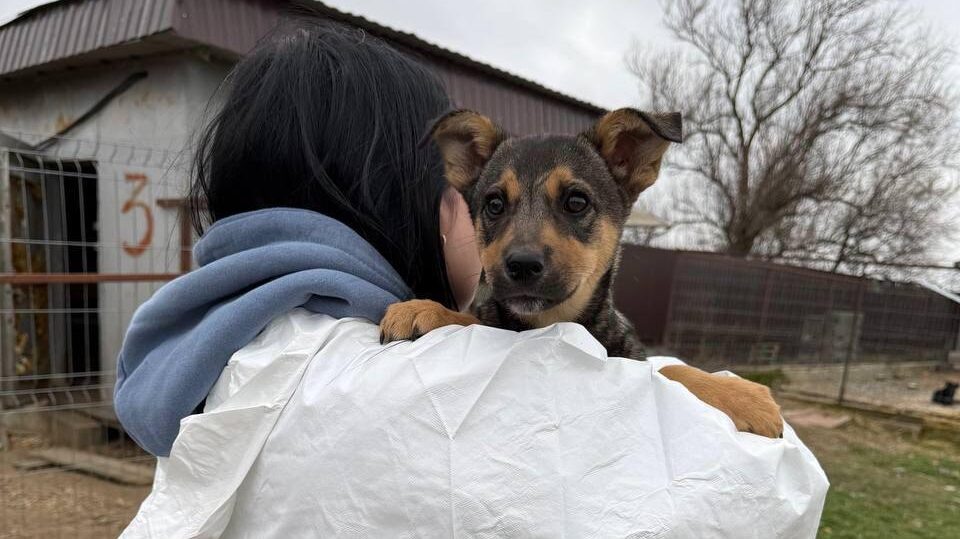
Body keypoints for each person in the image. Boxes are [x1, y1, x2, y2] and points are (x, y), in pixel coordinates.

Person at [116, 19, 827, 538]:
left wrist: (680, 378)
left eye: (573, 205)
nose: (524, 245)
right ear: (425, 195)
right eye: (492, 206)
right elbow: (766, 485)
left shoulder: (217, 360)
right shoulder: (421, 358)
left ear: (632, 173)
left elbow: (617, 374)